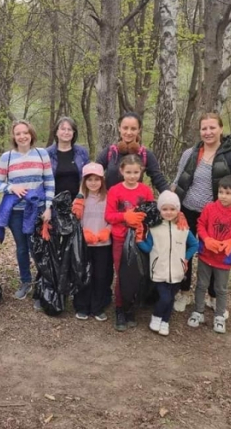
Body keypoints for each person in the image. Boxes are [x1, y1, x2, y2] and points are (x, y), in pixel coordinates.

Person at [170, 112, 231, 313]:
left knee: (215, 251)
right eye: (204, 128)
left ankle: (213, 295)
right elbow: (177, 180)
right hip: (187, 210)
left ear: (221, 129)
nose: (208, 132)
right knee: (184, 251)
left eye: (212, 128)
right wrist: (171, 206)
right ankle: (184, 292)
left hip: (218, 214)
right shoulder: (190, 153)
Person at [0, 120, 55, 301]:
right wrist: (12, 188)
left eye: (25, 132)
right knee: (22, 248)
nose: (22, 136)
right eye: (18, 133)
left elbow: (49, 182)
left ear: (31, 134)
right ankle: (25, 281)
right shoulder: (7, 157)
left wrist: (49, 207)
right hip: (16, 211)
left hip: (37, 208)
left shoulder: (42, 154)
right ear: (14, 136)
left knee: (37, 248)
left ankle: (42, 282)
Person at [187, 175, 231, 334]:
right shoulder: (210, 208)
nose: (223, 196)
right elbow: (200, 224)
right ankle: (198, 311)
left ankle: (220, 315)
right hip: (206, 255)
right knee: (201, 284)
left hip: (224, 259)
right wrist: (206, 239)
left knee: (220, 288)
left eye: (228, 193)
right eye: (221, 192)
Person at [104, 154, 155, 332]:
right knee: (122, 274)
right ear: (121, 171)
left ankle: (131, 307)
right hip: (120, 238)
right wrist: (125, 216)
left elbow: (152, 213)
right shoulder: (115, 191)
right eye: (128, 172)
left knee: (137, 273)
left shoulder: (146, 190)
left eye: (136, 172)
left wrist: (142, 220)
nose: (132, 176)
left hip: (139, 238)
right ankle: (120, 308)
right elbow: (109, 216)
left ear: (141, 172)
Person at [138, 191, 198, 336]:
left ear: (178, 210)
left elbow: (194, 244)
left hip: (177, 271)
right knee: (165, 297)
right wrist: (139, 241)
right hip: (159, 269)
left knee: (170, 298)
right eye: (165, 209)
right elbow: (148, 247)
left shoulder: (183, 228)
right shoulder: (155, 228)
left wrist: (186, 258)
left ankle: (165, 321)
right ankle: (157, 316)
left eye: (172, 209)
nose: (169, 212)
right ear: (160, 210)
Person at [72, 163, 113, 322]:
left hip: (103, 244)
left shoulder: (108, 197)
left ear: (102, 180)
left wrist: (107, 230)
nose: (93, 183)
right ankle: (82, 306)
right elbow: (75, 221)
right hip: (85, 244)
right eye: (90, 179)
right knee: (83, 274)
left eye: (97, 179)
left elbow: (113, 218)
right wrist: (83, 232)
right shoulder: (80, 199)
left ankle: (97, 307)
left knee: (100, 276)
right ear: (84, 181)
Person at [96, 112, 168, 192]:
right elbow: (93, 174)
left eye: (133, 129)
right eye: (125, 128)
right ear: (119, 128)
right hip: (110, 201)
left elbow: (157, 178)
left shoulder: (145, 154)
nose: (129, 132)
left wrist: (169, 195)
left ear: (139, 130)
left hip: (135, 203)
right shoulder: (109, 152)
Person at [46, 116, 89, 199]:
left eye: (69, 129)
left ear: (73, 132)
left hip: (78, 200)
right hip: (54, 202)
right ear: (56, 132)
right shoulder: (47, 154)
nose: (66, 132)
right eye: (63, 129)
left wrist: (81, 196)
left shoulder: (82, 152)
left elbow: (86, 177)